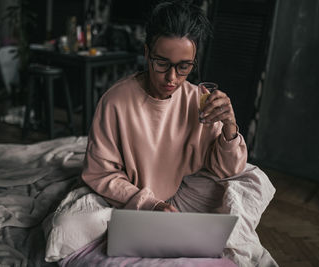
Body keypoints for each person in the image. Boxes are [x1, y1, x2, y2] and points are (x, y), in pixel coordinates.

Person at [81, 0, 247, 212]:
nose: (171, 77)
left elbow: (227, 169)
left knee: (252, 184)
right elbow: (100, 173)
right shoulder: (115, 101)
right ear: (147, 54)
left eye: (183, 66)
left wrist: (229, 126)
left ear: (194, 61)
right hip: (131, 199)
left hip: (182, 193)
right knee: (67, 227)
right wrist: (151, 205)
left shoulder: (200, 100)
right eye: (161, 63)